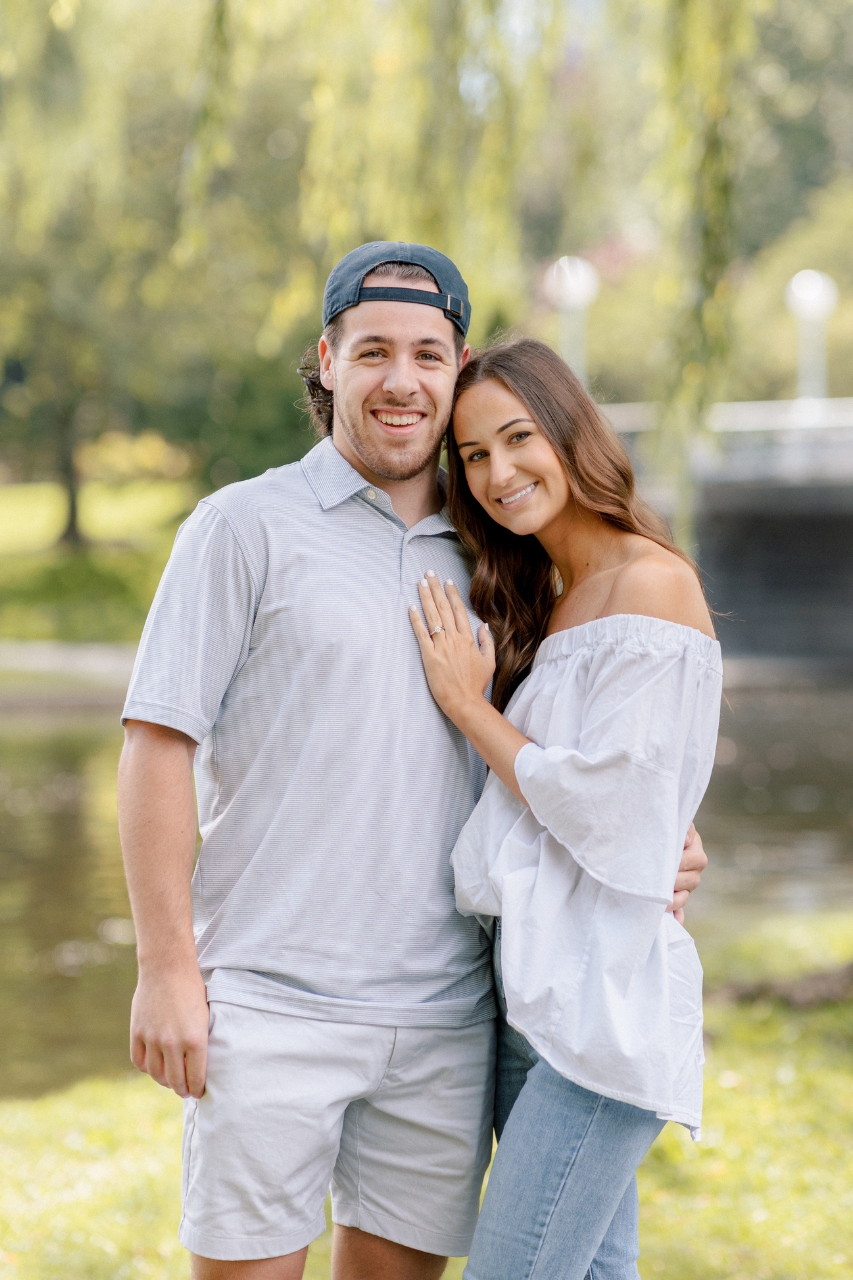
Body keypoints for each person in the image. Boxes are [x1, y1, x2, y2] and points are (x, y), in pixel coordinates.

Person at [117, 243, 707, 1280]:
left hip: (449, 1020)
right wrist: (167, 968)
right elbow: (157, 743)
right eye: (374, 349)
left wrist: (667, 830)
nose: (402, 379)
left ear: (456, 367)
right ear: (328, 359)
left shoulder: (500, 556)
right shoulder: (240, 527)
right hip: (269, 1004)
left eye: (428, 354)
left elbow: (598, 730)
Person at [409, 338, 722, 1280]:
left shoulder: (650, 582)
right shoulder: (549, 599)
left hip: (599, 1007)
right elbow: (622, 798)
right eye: (472, 455)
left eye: (517, 438)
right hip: (528, 994)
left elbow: (611, 809)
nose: (499, 473)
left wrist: (469, 708)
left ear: (570, 432)